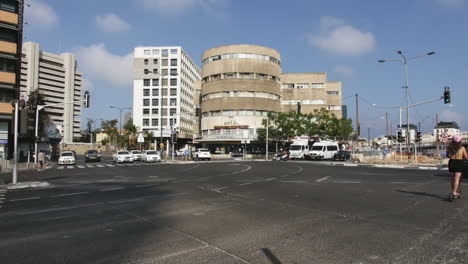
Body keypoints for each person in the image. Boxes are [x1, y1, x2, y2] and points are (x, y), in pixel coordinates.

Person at [447, 135, 467, 200]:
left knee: (452, 178)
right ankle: (454, 192)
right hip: (459, 163)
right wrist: (462, 158)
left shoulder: (449, 147)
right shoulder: (462, 148)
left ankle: (453, 191)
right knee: (457, 179)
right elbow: (466, 157)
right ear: (460, 141)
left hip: (451, 162)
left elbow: (448, 155)